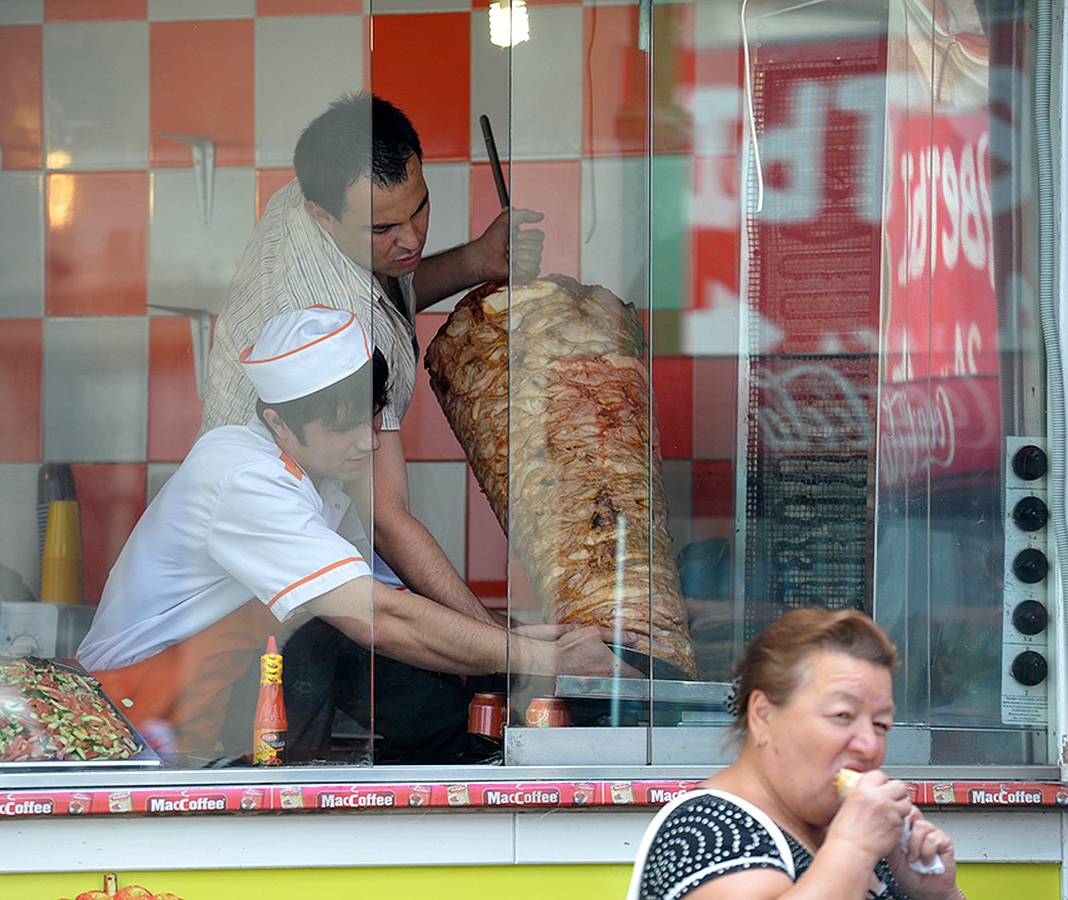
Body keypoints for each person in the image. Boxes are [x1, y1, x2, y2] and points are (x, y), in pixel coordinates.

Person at [78, 307, 631, 763]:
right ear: (278, 423)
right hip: (138, 718)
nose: (367, 443)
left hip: (206, 714)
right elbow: (379, 619)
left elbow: (395, 599)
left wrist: (528, 639)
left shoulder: (315, 474)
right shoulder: (243, 479)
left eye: (369, 419)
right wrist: (541, 662)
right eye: (340, 427)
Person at [202, 92, 544, 631]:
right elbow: (387, 520)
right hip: (266, 588)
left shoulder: (314, 195)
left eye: (420, 208)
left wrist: (475, 259)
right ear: (323, 215)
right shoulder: (338, 323)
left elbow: (387, 289)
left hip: (323, 537)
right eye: (383, 229)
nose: (410, 239)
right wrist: (499, 644)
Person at [626, 608, 964, 900]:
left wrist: (938, 894)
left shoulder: (857, 831)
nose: (870, 745)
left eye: (880, 724)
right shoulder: (705, 830)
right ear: (763, 715)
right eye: (842, 715)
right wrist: (854, 850)